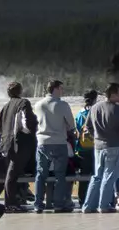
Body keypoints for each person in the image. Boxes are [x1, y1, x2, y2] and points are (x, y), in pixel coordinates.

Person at [81, 86, 119, 215]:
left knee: (97, 176)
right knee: (110, 175)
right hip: (114, 146)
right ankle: (104, 204)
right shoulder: (118, 109)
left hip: (98, 146)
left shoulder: (95, 107)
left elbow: (88, 126)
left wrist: (96, 136)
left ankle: (88, 205)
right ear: (113, 94)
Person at [34, 81, 74, 215]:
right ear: (55, 89)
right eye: (61, 88)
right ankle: (58, 204)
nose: (63, 91)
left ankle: (38, 204)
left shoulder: (38, 104)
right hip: (59, 142)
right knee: (60, 175)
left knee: (41, 174)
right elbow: (71, 125)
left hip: (43, 142)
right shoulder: (62, 105)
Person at [0, 83, 34, 213]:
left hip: (6, 145)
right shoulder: (23, 103)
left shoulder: (5, 107)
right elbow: (26, 124)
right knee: (11, 175)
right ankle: (10, 204)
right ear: (20, 91)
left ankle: (13, 201)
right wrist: (34, 129)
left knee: (11, 174)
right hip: (19, 144)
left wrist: (1, 145)